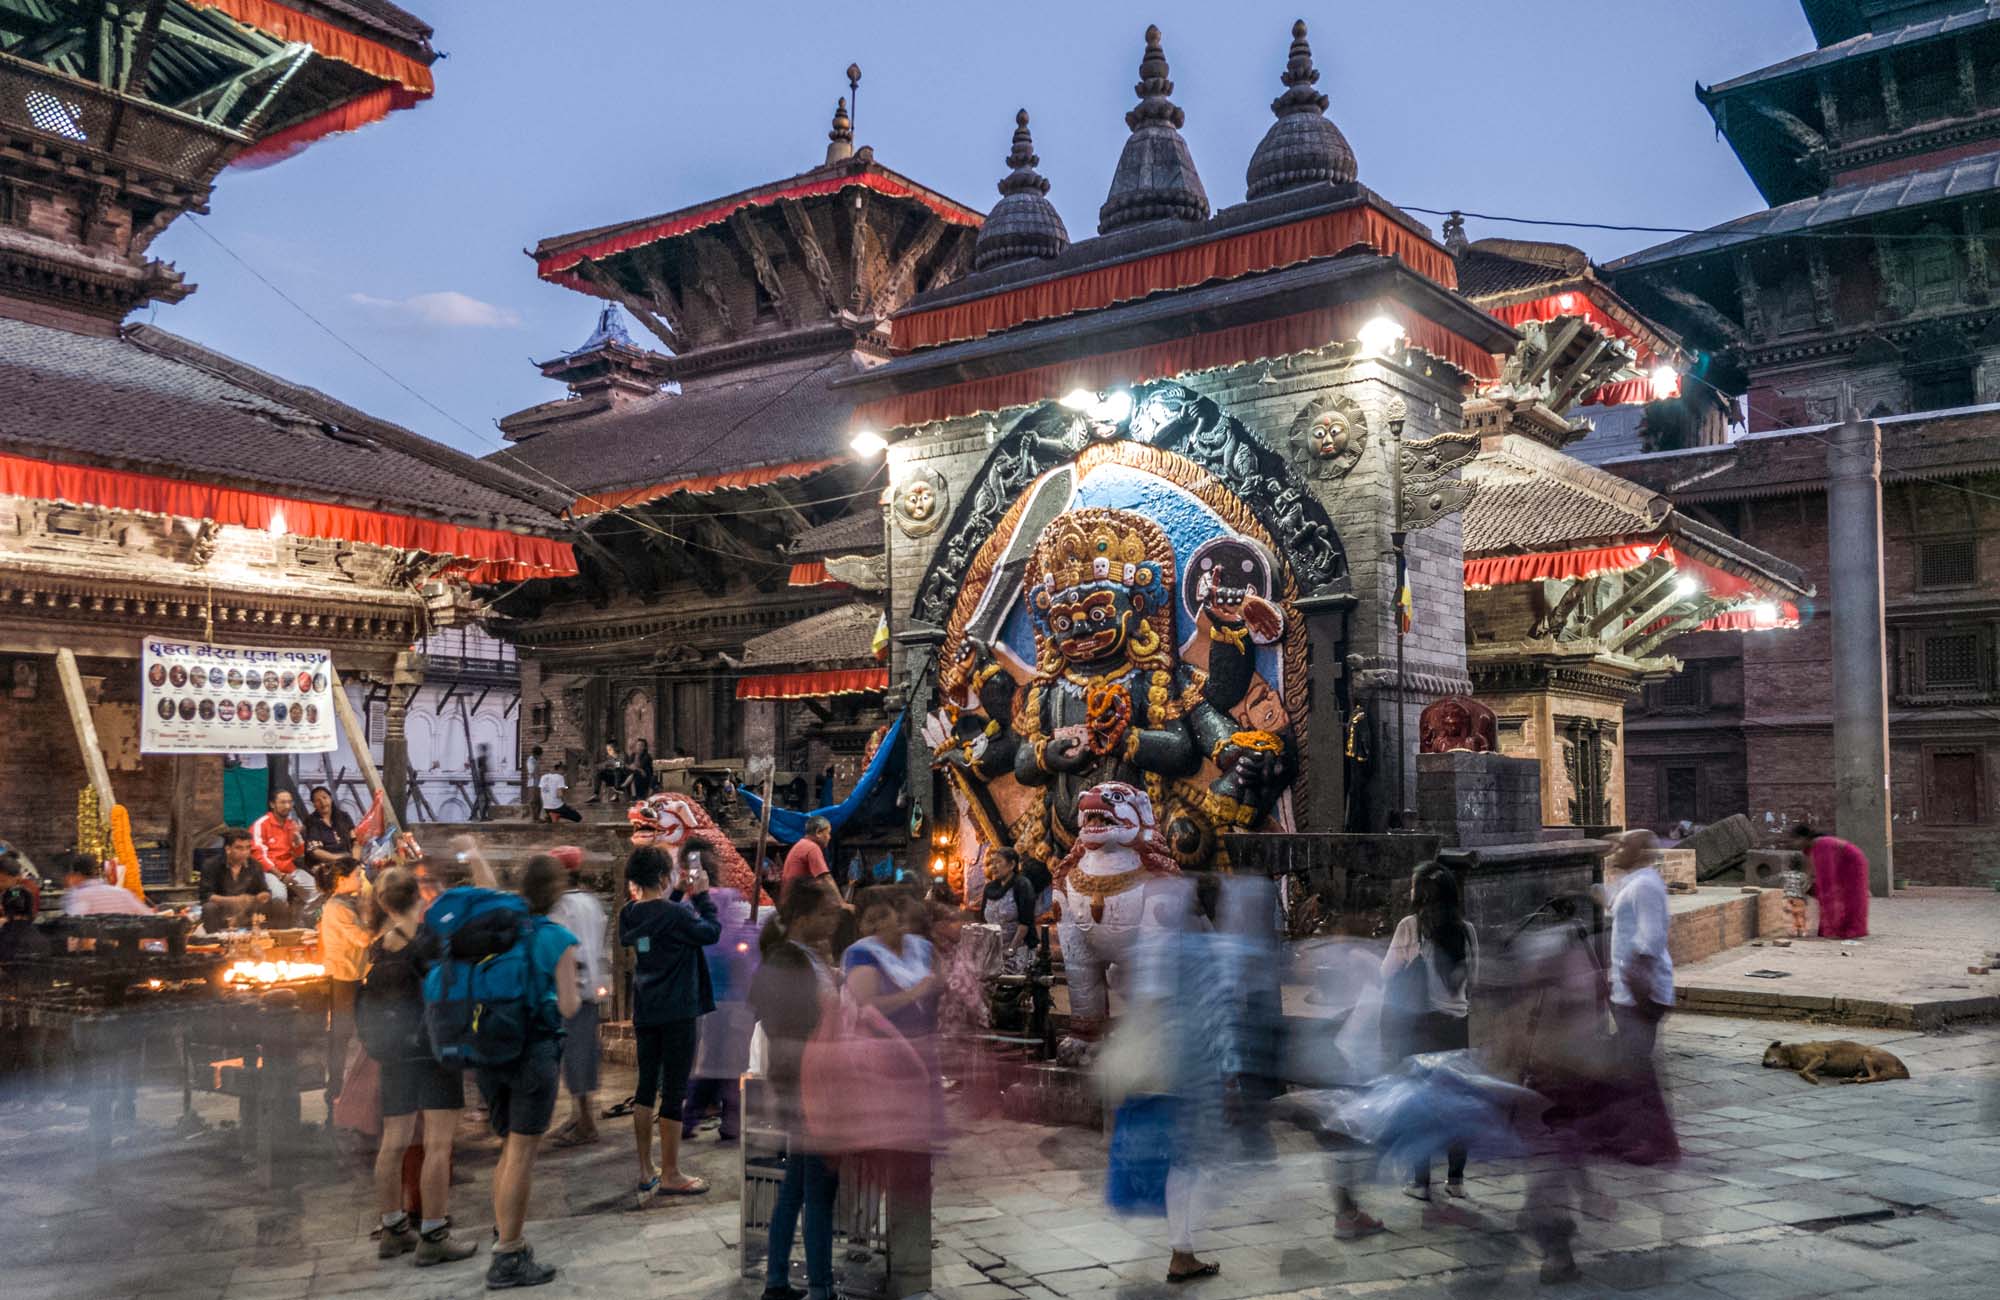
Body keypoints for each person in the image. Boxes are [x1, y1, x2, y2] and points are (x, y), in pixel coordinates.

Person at [363, 866, 478, 1268]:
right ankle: (433, 1232)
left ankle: (393, 1229)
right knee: (438, 1144)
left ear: (383, 903)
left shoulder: (377, 948)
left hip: (394, 1053)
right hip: (434, 1051)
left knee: (393, 1141)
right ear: (420, 896)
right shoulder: (431, 941)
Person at [477, 854, 582, 1289]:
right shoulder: (558, 938)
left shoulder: (501, 930)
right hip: (534, 1050)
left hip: (490, 1049)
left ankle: (504, 1229)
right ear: (556, 892)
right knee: (522, 1153)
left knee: (508, 1148)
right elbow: (571, 1005)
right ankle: (509, 1256)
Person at [750, 881, 845, 1300]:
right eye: (825, 914)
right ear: (804, 919)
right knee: (818, 1189)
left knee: (795, 1186)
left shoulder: (803, 958)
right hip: (808, 1086)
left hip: (807, 1083)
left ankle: (776, 1281)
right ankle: (821, 1287)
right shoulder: (789, 961)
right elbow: (790, 1029)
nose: (833, 920)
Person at [619, 843, 720, 1203]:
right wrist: (703, 896)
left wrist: (678, 892)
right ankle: (673, 1173)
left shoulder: (628, 914)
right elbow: (710, 931)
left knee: (646, 1087)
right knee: (674, 1091)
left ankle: (647, 1170)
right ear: (663, 876)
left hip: (647, 1011)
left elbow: (660, 919)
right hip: (678, 1012)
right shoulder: (676, 917)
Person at [1380, 861, 1478, 1205]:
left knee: (1419, 1104)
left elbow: (1386, 972)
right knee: (1456, 1103)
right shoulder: (1466, 930)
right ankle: (1456, 1181)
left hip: (1422, 1028)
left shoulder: (1410, 927)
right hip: (1456, 1028)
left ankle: (1421, 1182)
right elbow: (1473, 981)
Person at [1602, 830, 1679, 1166]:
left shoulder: (1645, 885)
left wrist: (1639, 992)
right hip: (1627, 990)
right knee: (1628, 1067)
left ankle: (1659, 1142)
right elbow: (1613, 908)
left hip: (1641, 992)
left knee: (1638, 1070)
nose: (1616, 849)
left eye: (1624, 845)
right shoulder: (1634, 882)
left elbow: (1650, 940)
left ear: (1642, 852)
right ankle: (1634, 1133)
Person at [683, 876, 757, 1144]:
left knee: (710, 1068)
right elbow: (748, 968)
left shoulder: (706, 933)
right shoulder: (731, 935)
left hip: (712, 1007)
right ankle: (728, 1124)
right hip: (732, 1007)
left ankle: (690, 1119)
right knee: (729, 1070)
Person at [546, 845, 608, 1149]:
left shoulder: (560, 908)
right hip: (591, 987)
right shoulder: (590, 902)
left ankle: (586, 1122)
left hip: (571, 990)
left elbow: (562, 949)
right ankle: (578, 1115)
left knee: (576, 1057)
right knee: (582, 1055)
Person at [318, 858, 372, 1114]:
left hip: (355, 975)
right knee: (341, 1034)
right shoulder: (337, 908)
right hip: (343, 977)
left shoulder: (348, 903)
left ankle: (351, 1087)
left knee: (358, 1032)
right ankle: (336, 1088)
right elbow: (362, 939)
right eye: (357, 875)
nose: (360, 880)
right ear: (342, 880)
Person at [1790, 823, 1869, 940]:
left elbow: (1825, 878)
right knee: (1823, 890)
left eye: (1795, 839)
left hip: (1852, 863)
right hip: (1842, 863)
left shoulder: (1821, 844)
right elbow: (1810, 872)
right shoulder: (1809, 849)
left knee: (1845, 895)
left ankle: (1844, 929)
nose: (1793, 843)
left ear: (1804, 838)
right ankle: (1830, 926)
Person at [980, 848, 1039, 974]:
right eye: (992, 863)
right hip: (993, 950)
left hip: (1018, 949)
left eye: (998, 862)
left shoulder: (1022, 885)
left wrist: (1011, 949)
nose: (993, 867)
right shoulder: (989, 888)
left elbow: (1025, 924)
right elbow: (983, 921)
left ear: (1012, 864)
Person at [200, 828, 271, 931]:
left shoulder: (255, 865)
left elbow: (264, 891)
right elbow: (206, 895)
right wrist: (234, 901)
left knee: (277, 904)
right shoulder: (211, 865)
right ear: (228, 849)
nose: (245, 852)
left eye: (248, 848)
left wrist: (262, 896)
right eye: (239, 848)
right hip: (222, 910)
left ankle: (276, 939)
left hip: (247, 912)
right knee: (209, 908)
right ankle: (213, 940)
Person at [60, 852, 151, 916]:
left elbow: (75, 927)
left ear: (76, 875)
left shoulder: (77, 896)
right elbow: (148, 917)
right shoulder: (123, 893)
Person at [301, 786, 356, 881]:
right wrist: (339, 858)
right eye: (317, 800)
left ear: (330, 798)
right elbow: (315, 851)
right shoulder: (311, 821)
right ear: (314, 804)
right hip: (324, 864)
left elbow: (355, 842)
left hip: (347, 861)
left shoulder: (344, 817)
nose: (322, 802)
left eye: (324, 797)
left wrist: (355, 861)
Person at [779, 818, 833, 898]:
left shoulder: (802, 844)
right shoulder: (812, 847)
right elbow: (826, 879)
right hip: (797, 900)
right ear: (818, 832)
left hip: (789, 898)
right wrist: (842, 904)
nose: (829, 837)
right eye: (828, 833)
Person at [0, 849, 42, 915]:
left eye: (1, 881)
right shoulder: (12, 887)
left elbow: (17, 910)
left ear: (15, 877)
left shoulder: (21, 889)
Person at [1781, 852, 1811, 939]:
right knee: (1800, 915)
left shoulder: (1786, 874)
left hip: (1786, 898)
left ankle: (1792, 931)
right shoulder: (1803, 876)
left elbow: (1782, 882)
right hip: (1798, 898)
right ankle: (1801, 931)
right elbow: (1805, 888)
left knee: (1791, 915)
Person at [470, 745, 495, 822]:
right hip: (482, 784)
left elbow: (484, 772)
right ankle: (482, 816)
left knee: (480, 799)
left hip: (482, 783)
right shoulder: (482, 759)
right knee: (485, 799)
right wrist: (486, 782)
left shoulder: (483, 759)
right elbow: (482, 772)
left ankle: (474, 814)